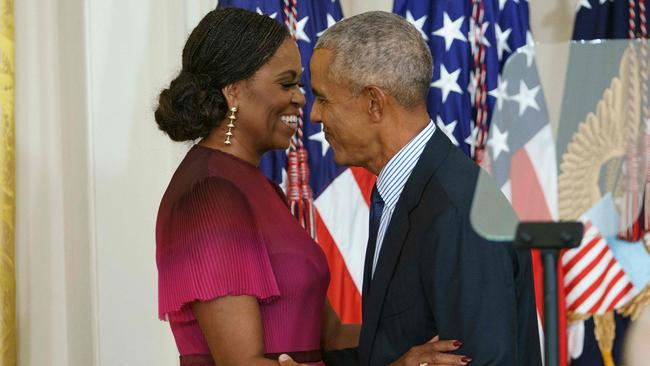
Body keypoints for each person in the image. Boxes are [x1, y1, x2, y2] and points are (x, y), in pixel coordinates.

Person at [155, 7, 468, 366]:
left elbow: (330, 339)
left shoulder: (259, 188)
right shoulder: (210, 193)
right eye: (287, 83)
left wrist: (432, 336)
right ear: (234, 91)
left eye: (300, 86)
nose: (302, 100)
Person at [305, 11, 542, 366]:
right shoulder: (402, 190)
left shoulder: (457, 211)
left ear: (374, 102)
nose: (314, 115)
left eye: (323, 98)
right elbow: (385, 348)